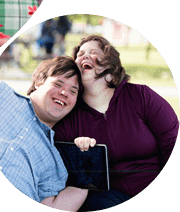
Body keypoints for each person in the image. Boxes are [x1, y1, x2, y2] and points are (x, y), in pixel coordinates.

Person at [54, 35, 179, 211]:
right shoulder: (70, 116)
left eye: (93, 53)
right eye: (80, 54)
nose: (84, 57)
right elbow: (58, 166)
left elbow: (171, 141)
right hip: (109, 197)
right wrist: (79, 155)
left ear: (111, 67)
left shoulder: (141, 96)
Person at [0, 56, 88, 210]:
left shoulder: (54, 162)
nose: (65, 92)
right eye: (58, 84)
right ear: (39, 82)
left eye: (73, 91)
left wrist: (88, 176)